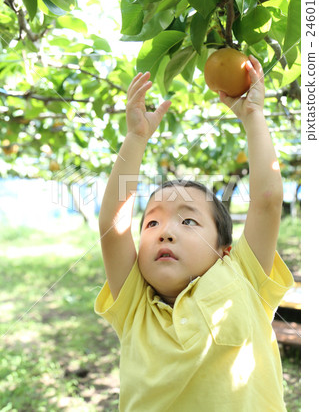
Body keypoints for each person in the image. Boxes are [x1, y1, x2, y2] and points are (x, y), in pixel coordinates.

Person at [94, 56, 294, 411]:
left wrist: (253, 117)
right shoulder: (135, 306)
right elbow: (113, 223)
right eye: (151, 223)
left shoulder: (243, 277)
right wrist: (136, 138)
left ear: (225, 250)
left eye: (188, 222)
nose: (165, 232)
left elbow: (266, 200)